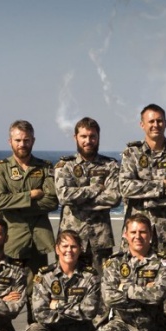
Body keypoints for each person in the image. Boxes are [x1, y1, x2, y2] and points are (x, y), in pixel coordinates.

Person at [0, 120, 58, 322]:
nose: (22, 144)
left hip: (38, 241)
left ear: (33, 141)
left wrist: (17, 203)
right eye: (18, 140)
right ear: (10, 141)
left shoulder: (44, 167)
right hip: (12, 242)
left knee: (37, 293)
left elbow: (52, 201)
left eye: (26, 140)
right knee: (6, 293)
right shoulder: (0, 168)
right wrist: (32, 195)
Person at [94, 214, 166, 331]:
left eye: (142, 232)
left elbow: (158, 295)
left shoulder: (163, 262)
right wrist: (145, 291)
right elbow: (109, 298)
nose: (137, 236)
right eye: (133, 232)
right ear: (125, 235)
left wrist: (124, 288)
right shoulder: (114, 262)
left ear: (150, 235)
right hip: (122, 323)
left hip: (152, 325)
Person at [119, 104, 166, 256]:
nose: (155, 125)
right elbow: (125, 187)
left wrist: (144, 198)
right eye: (151, 122)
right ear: (142, 124)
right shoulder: (132, 153)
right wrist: (162, 185)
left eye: (159, 121)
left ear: (165, 123)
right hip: (136, 233)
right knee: (133, 275)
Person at [54, 117, 121, 276]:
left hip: (100, 238)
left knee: (102, 286)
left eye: (92, 136)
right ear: (75, 137)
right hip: (71, 239)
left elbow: (114, 198)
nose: (88, 141)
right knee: (70, 285)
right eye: (83, 136)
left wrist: (77, 200)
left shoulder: (110, 165)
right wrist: (96, 188)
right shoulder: (65, 166)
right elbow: (64, 196)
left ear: (98, 138)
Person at [21, 230, 101, 331]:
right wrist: (75, 310)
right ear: (57, 249)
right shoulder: (44, 276)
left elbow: (89, 312)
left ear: (80, 249)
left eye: (73, 246)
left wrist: (58, 305)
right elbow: (40, 313)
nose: (69, 250)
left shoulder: (90, 277)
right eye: (65, 246)